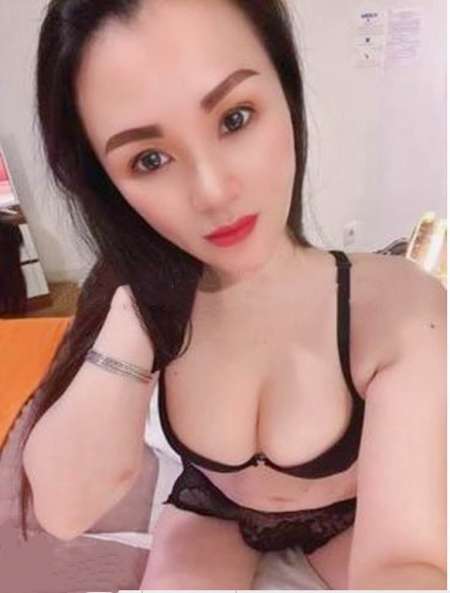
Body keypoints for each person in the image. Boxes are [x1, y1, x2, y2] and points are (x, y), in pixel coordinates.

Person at [19, 0, 446, 590]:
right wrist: (132, 311)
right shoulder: (141, 307)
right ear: (107, 184)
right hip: (214, 511)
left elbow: (406, 559)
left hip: (348, 517)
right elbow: (64, 511)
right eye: (149, 159)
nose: (214, 191)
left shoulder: (394, 306)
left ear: (285, 91)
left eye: (235, 118)